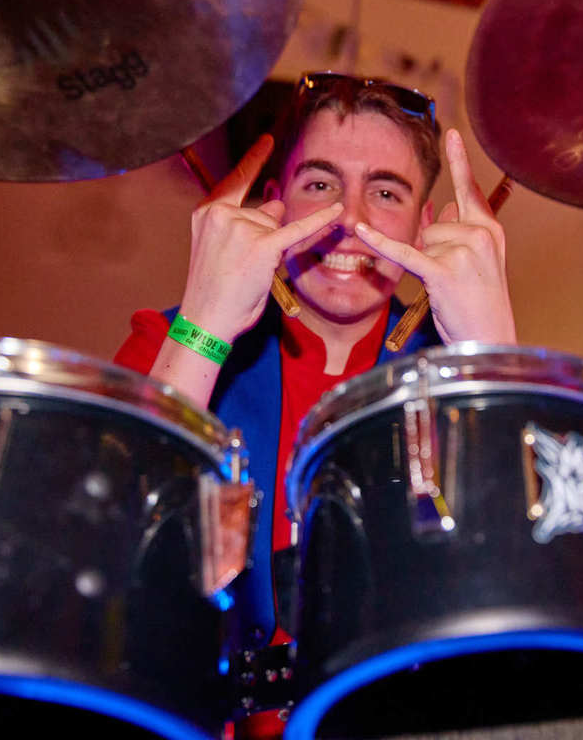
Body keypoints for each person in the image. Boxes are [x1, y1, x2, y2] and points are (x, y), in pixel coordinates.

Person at [114, 72, 516, 737]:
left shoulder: (462, 374)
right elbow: (101, 563)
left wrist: (493, 356)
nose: (350, 222)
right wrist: (204, 325)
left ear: (424, 226)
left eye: (385, 192)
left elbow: (526, 612)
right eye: (322, 185)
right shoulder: (169, 343)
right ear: (274, 204)